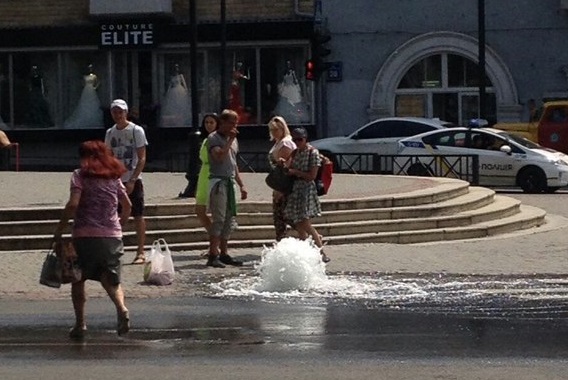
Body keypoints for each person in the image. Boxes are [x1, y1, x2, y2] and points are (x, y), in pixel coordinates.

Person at [53, 140, 132, 339]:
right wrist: (119, 224)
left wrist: (59, 229)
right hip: (111, 235)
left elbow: (73, 204)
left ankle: (81, 325)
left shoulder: (79, 176)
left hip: (84, 235)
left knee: (78, 279)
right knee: (111, 277)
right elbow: (128, 205)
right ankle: (121, 308)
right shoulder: (114, 178)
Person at [104, 99, 148, 265]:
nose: (118, 115)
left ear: (126, 112)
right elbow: (108, 156)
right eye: (115, 112)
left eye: (120, 111)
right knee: (113, 215)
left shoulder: (136, 130)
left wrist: (133, 179)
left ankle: (141, 251)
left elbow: (142, 157)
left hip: (132, 178)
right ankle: (113, 249)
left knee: (138, 214)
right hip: (115, 179)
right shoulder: (110, 133)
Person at [206, 109, 248, 268]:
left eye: (236, 123)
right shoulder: (213, 138)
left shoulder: (233, 140)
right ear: (222, 122)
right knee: (219, 219)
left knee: (229, 220)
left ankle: (224, 252)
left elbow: (233, 163)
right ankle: (213, 254)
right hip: (219, 183)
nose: (234, 126)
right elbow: (219, 156)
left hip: (229, 181)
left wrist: (241, 184)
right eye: (231, 123)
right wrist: (230, 140)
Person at [283, 127, 330, 263]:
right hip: (295, 189)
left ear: (305, 139)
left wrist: (295, 172)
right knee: (297, 221)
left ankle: (321, 251)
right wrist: (284, 166)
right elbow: (288, 168)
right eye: (295, 139)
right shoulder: (295, 152)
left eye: (300, 139)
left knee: (304, 221)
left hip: (306, 189)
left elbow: (311, 176)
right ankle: (305, 251)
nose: (297, 142)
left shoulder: (313, 153)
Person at [267, 116, 296, 241]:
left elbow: (284, 167)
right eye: (271, 130)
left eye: (276, 129)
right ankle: (281, 242)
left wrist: (280, 189)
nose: (274, 132)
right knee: (279, 217)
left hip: (283, 185)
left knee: (284, 216)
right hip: (278, 182)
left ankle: (310, 236)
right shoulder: (278, 142)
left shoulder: (285, 143)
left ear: (283, 129)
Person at [194, 113, 220, 252]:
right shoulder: (206, 139)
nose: (209, 125)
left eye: (212, 122)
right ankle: (214, 239)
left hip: (212, 173)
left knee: (213, 212)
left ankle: (215, 245)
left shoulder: (217, 139)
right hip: (204, 174)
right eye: (206, 122)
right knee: (199, 210)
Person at [63, 64, 103, 129]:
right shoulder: (84, 76)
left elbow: (98, 82)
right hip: (86, 89)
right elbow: (82, 82)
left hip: (92, 89)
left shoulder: (94, 76)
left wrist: (95, 87)